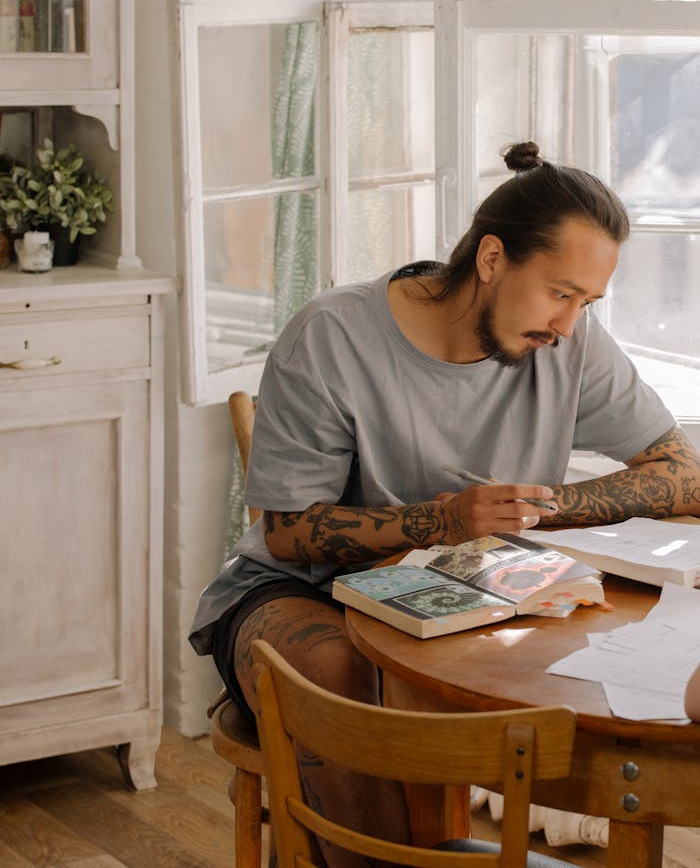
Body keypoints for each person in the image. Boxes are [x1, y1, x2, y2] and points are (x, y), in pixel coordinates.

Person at [190, 141, 700, 868]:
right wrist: (447, 519)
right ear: (491, 259)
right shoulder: (333, 335)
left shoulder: (569, 342)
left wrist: (541, 507)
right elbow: (288, 532)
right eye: (560, 293)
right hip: (301, 590)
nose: (568, 324)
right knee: (340, 679)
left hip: (475, 592)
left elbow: (683, 472)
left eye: (586, 303)